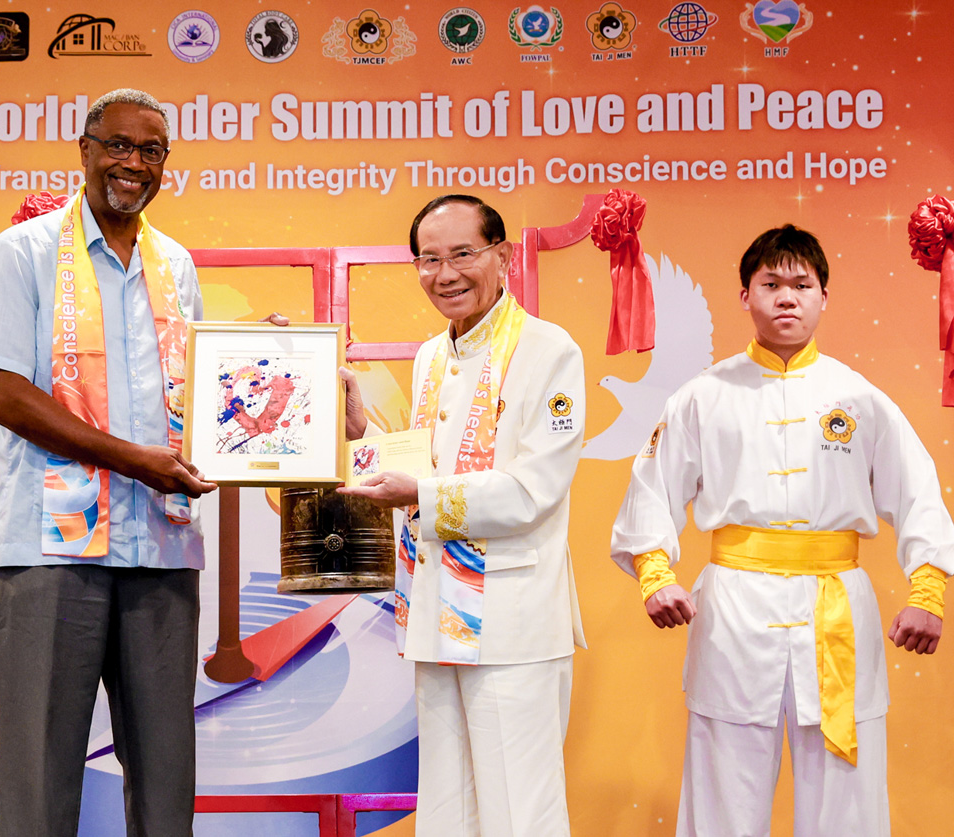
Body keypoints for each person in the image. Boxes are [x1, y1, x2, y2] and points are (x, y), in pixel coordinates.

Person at [610, 224, 954, 836]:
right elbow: (651, 490)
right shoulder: (702, 396)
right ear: (745, 296)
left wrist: (928, 592)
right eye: (771, 284)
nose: (787, 297)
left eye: (802, 284)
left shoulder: (860, 397)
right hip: (733, 612)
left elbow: (919, 494)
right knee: (722, 797)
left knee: (848, 801)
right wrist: (655, 575)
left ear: (824, 297)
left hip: (838, 609)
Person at [0, 88, 218, 837]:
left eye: (151, 150)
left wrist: (262, 368)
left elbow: (195, 392)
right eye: (118, 145)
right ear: (85, 149)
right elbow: (6, 397)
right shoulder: (22, 252)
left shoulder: (176, 264)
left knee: (167, 777)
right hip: (49, 551)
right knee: (38, 777)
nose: (133, 163)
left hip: (160, 545)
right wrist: (133, 460)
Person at [341, 194, 587, 837]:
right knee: (446, 808)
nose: (444, 274)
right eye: (429, 259)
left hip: (510, 620)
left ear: (503, 257)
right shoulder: (432, 355)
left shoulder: (548, 350)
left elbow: (534, 489)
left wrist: (421, 495)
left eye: (462, 255)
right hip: (436, 609)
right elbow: (422, 464)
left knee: (520, 812)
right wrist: (360, 431)